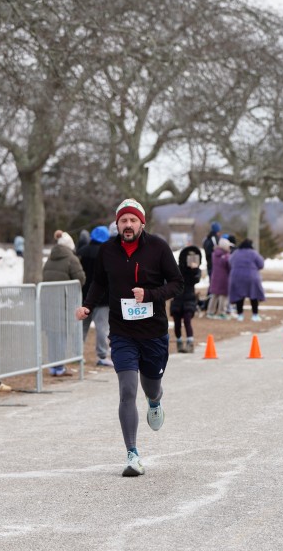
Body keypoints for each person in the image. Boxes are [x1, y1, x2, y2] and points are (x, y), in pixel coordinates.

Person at [74, 199, 182, 477]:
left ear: (142, 223)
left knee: (151, 387)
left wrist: (151, 295)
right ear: (117, 224)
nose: (128, 225)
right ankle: (132, 453)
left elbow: (177, 283)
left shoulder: (158, 247)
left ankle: (155, 401)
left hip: (153, 332)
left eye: (133, 220)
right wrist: (88, 305)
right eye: (124, 220)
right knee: (127, 390)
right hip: (122, 333)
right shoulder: (107, 250)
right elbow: (99, 282)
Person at [42, 231, 85, 376]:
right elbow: (80, 278)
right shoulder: (71, 259)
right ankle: (59, 366)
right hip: (64, 302)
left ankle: (53, 366)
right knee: (61, 334)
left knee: (52, 335)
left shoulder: (50, 259)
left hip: (48, 302)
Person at [77, 225, 111, 366]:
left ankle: (77, 354)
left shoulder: (81, 251)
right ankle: (102, 355)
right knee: (102, 328)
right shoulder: (107, 253)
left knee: (82, 327)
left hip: (84, 297)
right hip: (102, 298)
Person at [171, 245, 202, 352]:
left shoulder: (196, 270)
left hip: (189, 299)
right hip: (177, 299)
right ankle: (179, 342)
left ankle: (190, 343)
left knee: (187, 320)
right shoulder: (178, 268)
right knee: (177, 323)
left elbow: (196, 279)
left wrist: (194, 269)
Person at [228, 238, 265, 322]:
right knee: (254, 295)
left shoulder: (236, 253)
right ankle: (255, 315)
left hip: (237, 276)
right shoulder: (253, 253)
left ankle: (240, 315)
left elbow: (230, 262)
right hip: (251, 276)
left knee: (239, 296)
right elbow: (261, 264)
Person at [206, 237, 232, 319]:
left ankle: (210, 312)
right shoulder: (226, 256)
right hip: (224, 278)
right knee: (223, 296)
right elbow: (229, 267)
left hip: (215, 277)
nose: (229, 248)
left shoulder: (214, 254)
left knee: (214, 295)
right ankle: (221, 312)